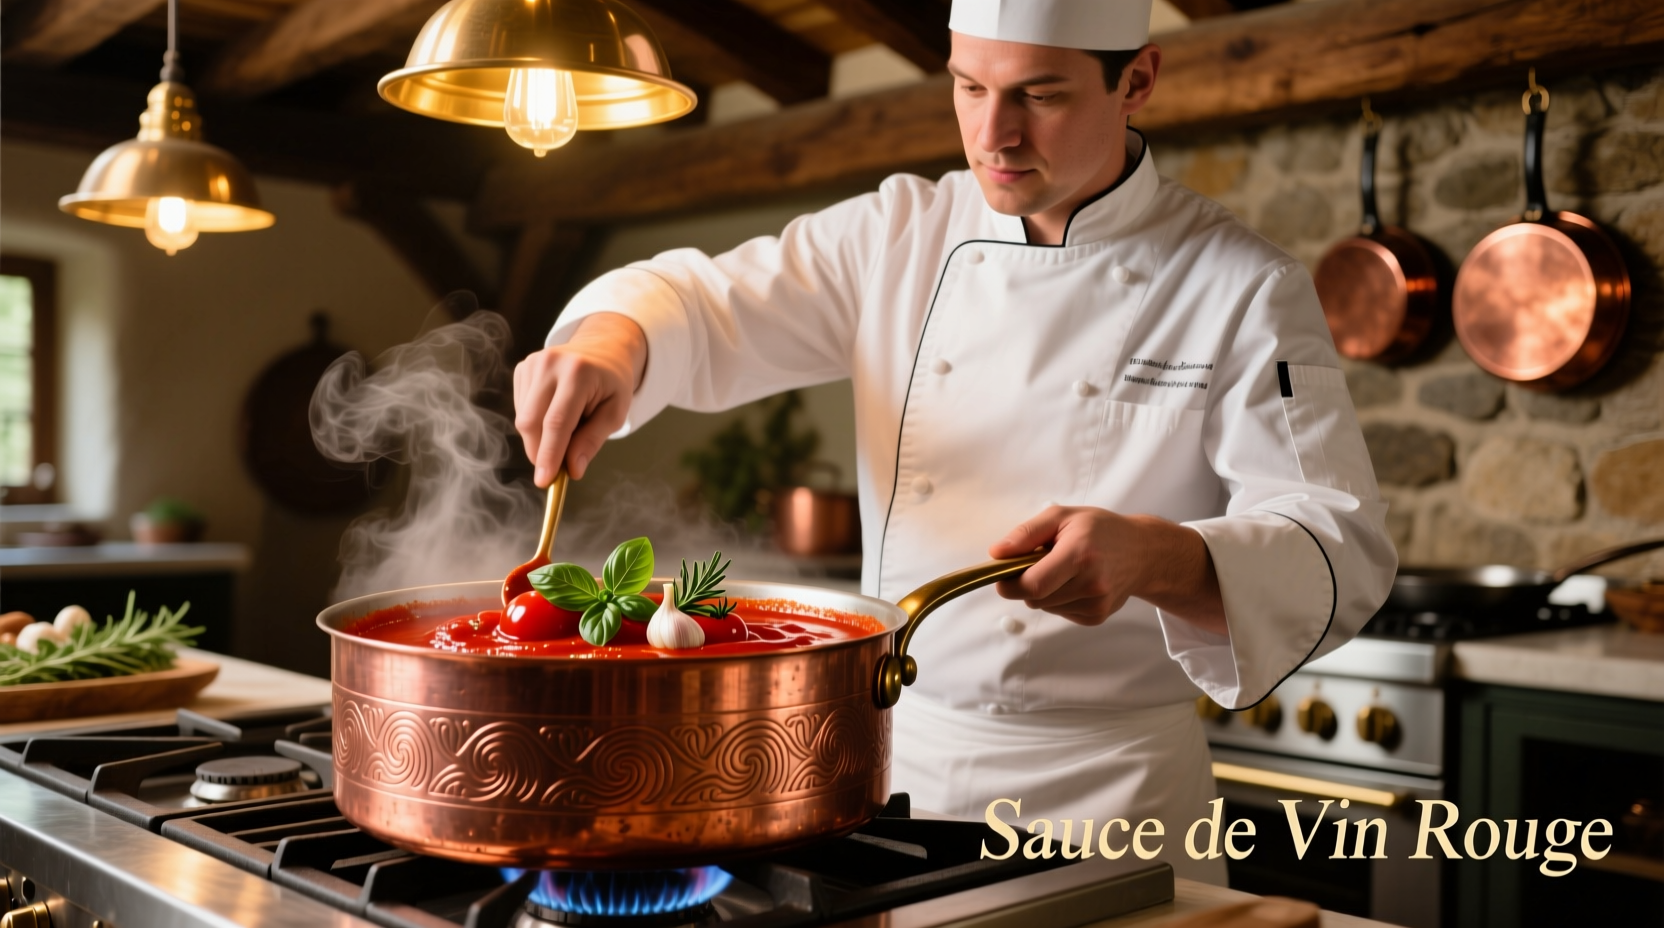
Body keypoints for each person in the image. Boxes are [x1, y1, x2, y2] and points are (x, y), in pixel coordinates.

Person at [512, 0, 1396, 883]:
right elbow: (704, 302)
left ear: (1137, 81)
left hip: (1114, 804)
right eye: (970, 87)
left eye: (1040, 96)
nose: (995, 135)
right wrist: (610, 344)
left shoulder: (1240, 286)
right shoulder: (897, 236)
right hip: (894, 771)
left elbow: (1339, 544)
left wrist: (1157, 558)